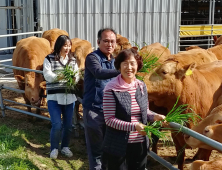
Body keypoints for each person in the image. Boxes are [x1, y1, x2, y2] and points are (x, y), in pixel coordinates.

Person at [102, 48, 166, 170]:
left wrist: (154, 116)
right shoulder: (111, 88)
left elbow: (145, 111)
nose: (129, 67)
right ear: (119, 66)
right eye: (125, 64)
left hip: (140, 143)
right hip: (117, 146)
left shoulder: (141, 86)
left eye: (132, 63)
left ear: (138, 65)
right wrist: (134, 126)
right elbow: (109, 120)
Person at [82, 28, 120, 170]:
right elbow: (98, 73)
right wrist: (122, 71)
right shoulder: (92, 58)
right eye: (106, 41)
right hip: (94, 110)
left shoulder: (115, 61)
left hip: (111, 113)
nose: (109, 44)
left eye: (112, 41)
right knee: (96, 152)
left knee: (110, 150)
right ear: (98, 42)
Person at [43, 35, 79, 159]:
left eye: (69, 45)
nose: (67, 48)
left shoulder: (72, 60)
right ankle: (54, 148)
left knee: (68, 125)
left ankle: (64, 147)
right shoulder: (49, 59)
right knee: (57, 124)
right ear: (59, 45)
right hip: (54, 97)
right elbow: (47, 75)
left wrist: (74, 78)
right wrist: (59, 77)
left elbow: (76, 74)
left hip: (69, 98)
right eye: (65, 45)